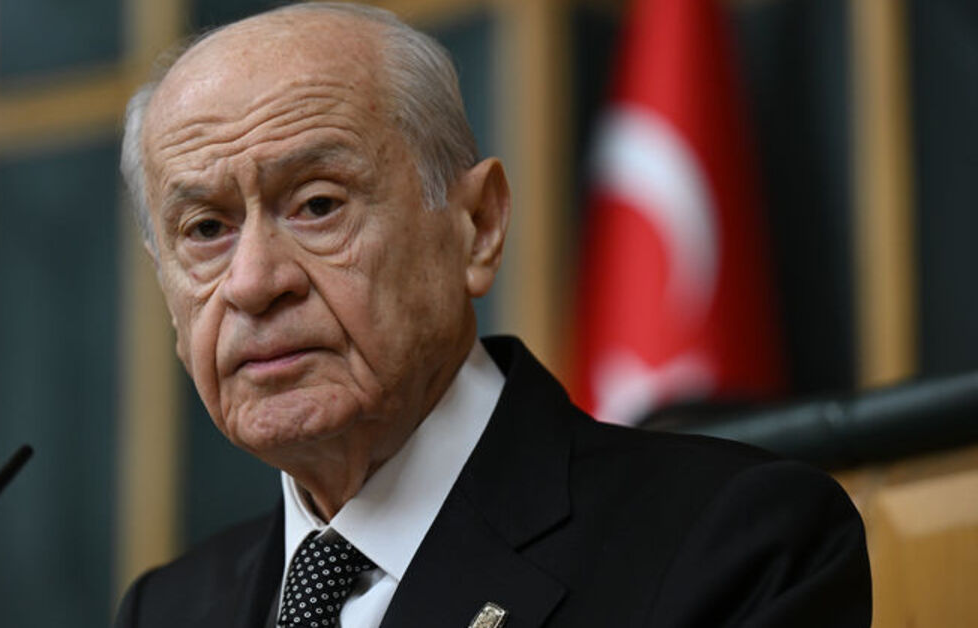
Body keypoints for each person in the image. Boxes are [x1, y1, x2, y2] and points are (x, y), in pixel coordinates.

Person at [113, 3, 870, 627]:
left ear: (476, 226)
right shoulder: (165, 610)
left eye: (317, 205)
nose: (253, 282)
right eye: (205, 229)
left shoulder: (736, 545)